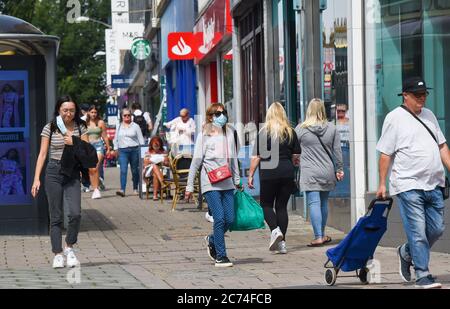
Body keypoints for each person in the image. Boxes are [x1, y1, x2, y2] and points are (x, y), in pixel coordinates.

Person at [376, 77, 450, 289]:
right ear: (405, 96)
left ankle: (405, 252)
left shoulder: (430, 116)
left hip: (434, 184)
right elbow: (385, 154)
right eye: (418, 95)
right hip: (408, 185)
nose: (422, 99)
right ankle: (422, 274)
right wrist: (382, 183)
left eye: (425, 94)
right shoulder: (394, 118)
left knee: (436, 229)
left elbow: (442, 146)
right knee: (417, 230)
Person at [31, 95, 89, 269]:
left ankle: (69, 248)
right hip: (53, 171)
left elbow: (87, 152)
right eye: (65, 110)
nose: (68, 113)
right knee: (55, 216)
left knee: (75, 213)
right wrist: (36, 179)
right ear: (58, 110)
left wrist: (75, 141)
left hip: (72, 172)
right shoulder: (50, 127)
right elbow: (42, 154)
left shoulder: (81, 127)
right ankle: (57, 253)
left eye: (72, 110)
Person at [185, 103, 241, 267]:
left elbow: (233, 158)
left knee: (230, 219)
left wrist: (237, 180)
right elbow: (196, 162)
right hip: (210, 182)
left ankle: (212, 239)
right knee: (219, 218)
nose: (222, 115)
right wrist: (189, 187)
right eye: (218, 113)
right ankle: (221, 256)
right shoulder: (204, 135)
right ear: (210, 117)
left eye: (224, 112)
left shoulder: (230, 132)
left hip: (227, 181)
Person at [248, 102, 301, 254]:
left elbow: (256, 157)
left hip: (269, 173)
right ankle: (282, 244)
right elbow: (296, 156)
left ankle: (275, 230)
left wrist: (250, 175)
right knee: (282, 207)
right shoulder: (290, 132)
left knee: (265, 204)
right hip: (286, 172)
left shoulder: (264, 133)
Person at [295, 98, 344, 247]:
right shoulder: (332, 128)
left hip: (309, 171)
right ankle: (322, 234)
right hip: (327, 170)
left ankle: (318, 236)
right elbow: (337, 151)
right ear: (323, 109)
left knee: (314, 203)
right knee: (323, 203)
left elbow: (294, 151)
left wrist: (295, 161)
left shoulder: (300, 129)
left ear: (309, 110)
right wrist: (339, 168)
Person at [114, 108, 145, 197]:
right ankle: (122, 190)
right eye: (125, 115)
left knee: (135, 170)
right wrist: (116, 149)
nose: (127, 117)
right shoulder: (119, 126)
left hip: (135, 150)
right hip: (123, 151)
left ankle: (135, 188)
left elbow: (141, 140)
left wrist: (142, 151)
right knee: (123, 170)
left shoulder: (135, 126)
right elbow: (115, 138)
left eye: (129, 115)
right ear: (121, 116)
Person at [86, 105, 111, 199]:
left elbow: (105, 136)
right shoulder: (85, 123)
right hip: (88, 147)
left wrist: (108, 148)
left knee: (95, 166)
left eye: (95, 112)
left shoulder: (100, 122)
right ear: (88, 113)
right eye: (91, 112)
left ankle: (96, 190)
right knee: (90, 169)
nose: (93, 114)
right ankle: (98, 182)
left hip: (99, 146)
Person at [143, 136, 170, 201]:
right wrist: (153, 162)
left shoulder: (164, 152)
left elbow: (167, 163)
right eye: (154, 146)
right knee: (154, 166)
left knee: (155, 174)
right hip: (149, 170)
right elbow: (145, 164)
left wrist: (164, 162)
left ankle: (155, 196)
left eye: (158, 146)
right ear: (151, 145)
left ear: (160, 145)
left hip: (162, 170)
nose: (156, 148)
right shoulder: (148, 153)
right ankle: (162, 183)